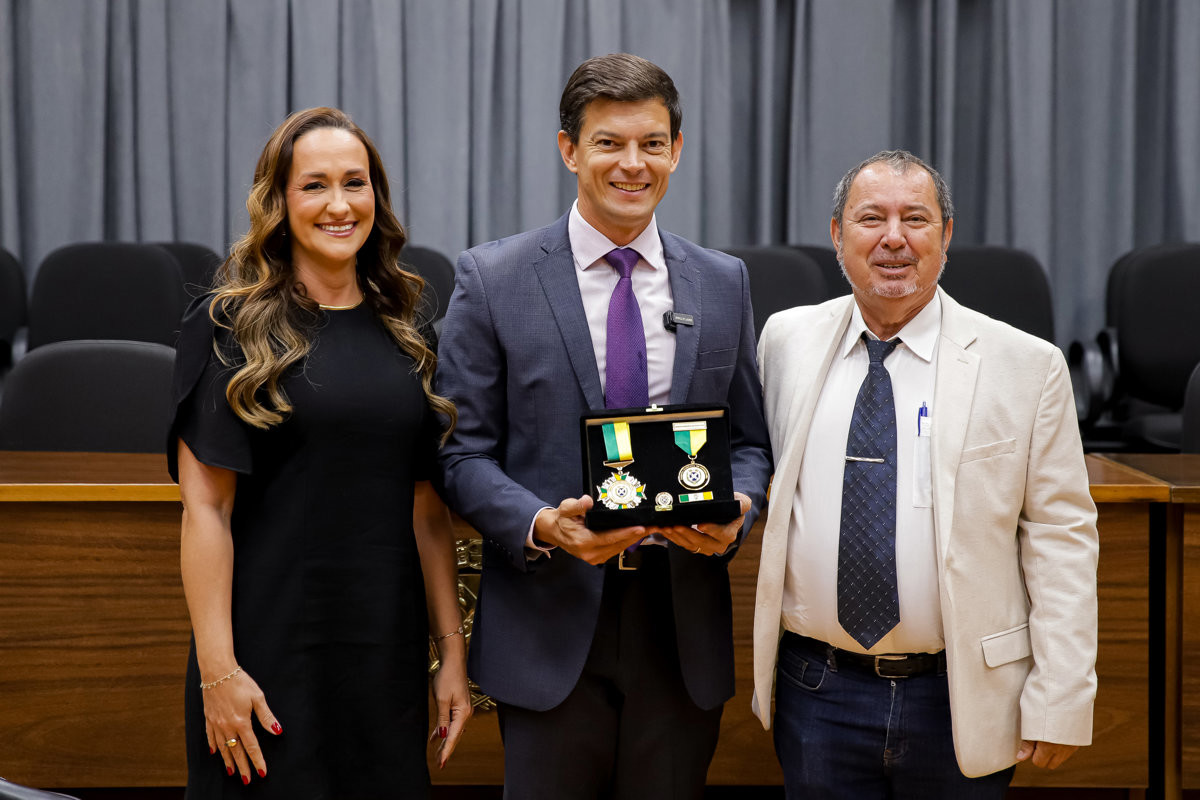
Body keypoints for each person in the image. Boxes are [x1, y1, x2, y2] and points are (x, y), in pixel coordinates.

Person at [435, 53, 772, 799]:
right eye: (609, 143)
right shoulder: (493, 280)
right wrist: (542, 524)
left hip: (679, 629)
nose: (633, 163)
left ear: (676, 151)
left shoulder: (723, 282)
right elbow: (460, 455)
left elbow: (749, 442)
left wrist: (741, 509)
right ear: (569, 151)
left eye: (652, 143)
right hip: (548, 625)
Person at [751, 149, 1099, 798]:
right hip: (817, 690)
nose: (893, 238)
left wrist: (1061, 694)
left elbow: (1061, 536)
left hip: (960, 692)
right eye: (870, 218)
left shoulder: (1025, 365)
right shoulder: (785, 342)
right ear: (836, 234)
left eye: (915, 218)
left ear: (946, 236)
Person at [169, 106, 471, 798]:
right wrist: (219, 673)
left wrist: (451, 655)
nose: (340, 205)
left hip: (382, 660)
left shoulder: (409, 324)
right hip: (263, 660)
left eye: (355, 183)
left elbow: (427, 509)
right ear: (278, 201)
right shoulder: (227, 324)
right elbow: (206, 511)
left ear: (377, 197)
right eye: (314, 186)